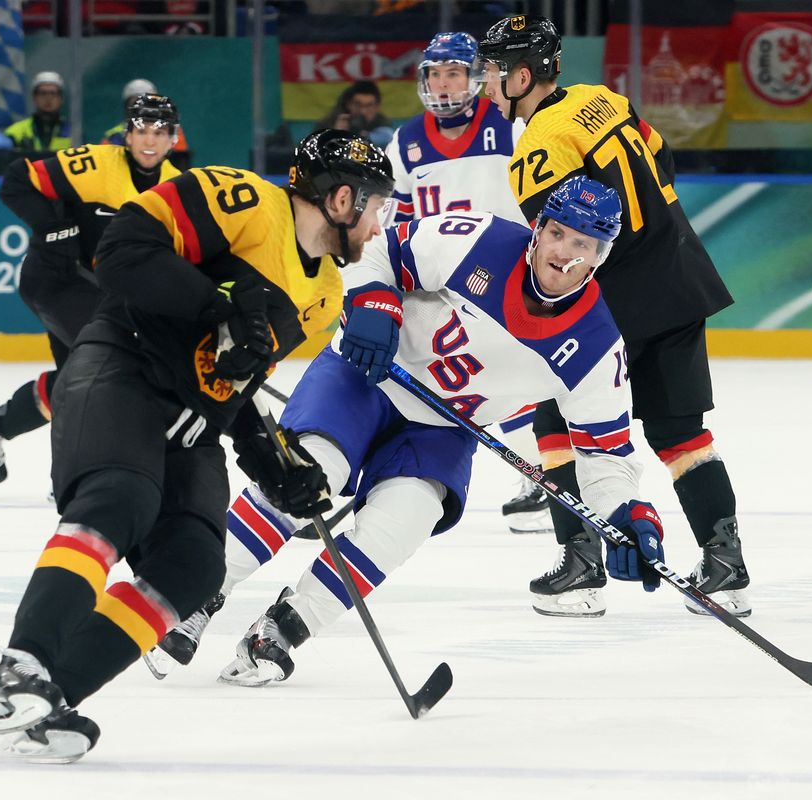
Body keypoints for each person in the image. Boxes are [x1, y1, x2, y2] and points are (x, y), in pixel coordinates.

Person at [0, 129, 395, 763]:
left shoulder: (324, 293)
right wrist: (216, 302)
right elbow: (123, 252)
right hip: (121, 365)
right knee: (120, 498)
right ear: (343, 199)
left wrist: (273, 463)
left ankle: (49, 699)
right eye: (379, 207)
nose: (381, 226)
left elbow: (238, 379)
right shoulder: (242, 197)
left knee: (194, 568)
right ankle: (18, 671)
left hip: (191, 419)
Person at [144, 177, 669, 686]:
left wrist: (627, 516)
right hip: (367, 375)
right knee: (306, 474)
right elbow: (378, 249)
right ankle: (198, 591)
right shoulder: (480, 240)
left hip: (444, 429)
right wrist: (374, 297)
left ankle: (285, 628)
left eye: (583, 243)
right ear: (538, 228)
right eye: (557, 233)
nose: (563, 252)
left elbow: (606, 454)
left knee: (402, 523)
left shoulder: (597, 346)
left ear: (601, 256)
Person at [477, 15, 749, 618]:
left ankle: (582, 563)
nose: (486, 86)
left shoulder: (539, 144)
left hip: (609, 306)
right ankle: (725, 565)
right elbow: (662, 156)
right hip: (679, 276)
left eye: (494, 74)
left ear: (522, 76)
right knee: (682, 434)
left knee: (553, 418)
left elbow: (565, 248)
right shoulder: (600, 100)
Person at [0, 94, 182, 487]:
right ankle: (7, 432)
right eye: (140, 129)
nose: (148, 140)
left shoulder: (177, 188)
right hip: (55, 279)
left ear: (174, 138)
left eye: (159, 132)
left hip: (98, 294)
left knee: (80, 381)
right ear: (126, 134)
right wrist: (53, 229)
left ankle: (12, 440)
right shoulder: (94, 164)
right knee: (116, 368)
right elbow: (16, 181)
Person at [384, 31, 548, 535]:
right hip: (437, 284)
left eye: (453, 72)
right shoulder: (407, 142)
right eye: (435, 73)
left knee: (499, 380)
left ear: (476, 78)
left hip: (502, 274)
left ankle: (544, 474)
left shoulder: (510, 125)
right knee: (454, 381)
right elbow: (396, 218)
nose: (444, 83)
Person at [102, 78, 191, 165]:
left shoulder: (172, 130)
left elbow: (182, 163)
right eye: (134, 103)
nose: (141, 108)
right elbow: (104, 165)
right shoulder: (113, 136)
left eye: (146, 104)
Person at [313, 80, 394, 148]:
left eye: (369, 106)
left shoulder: (382, 122)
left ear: (377, 107)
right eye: (358, 105)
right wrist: (335, 134)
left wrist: (363, 136)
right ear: (348, 104)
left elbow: (387, 139)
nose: (363, 111)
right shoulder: (329, 122)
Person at [4, 71, 72, 151]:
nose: (48, 98)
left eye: (53, 93)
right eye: (43, 93)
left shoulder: (73, 132)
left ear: (61, 99)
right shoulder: (15, 132)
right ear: (34, 98)